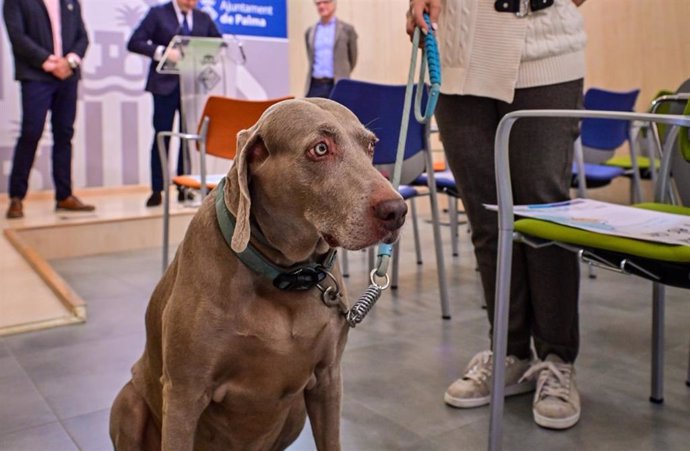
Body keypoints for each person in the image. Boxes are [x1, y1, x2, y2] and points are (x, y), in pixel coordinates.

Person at [408, 0, 587, 430]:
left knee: (545, 218)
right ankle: (509, 351)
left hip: (544, 49)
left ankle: (557, 360)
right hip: (457, 54)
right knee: (486, 220)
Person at [3, 0, 94, 219]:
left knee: (64, 134)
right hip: (36, 75)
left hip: (68, 76)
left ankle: (64, 196)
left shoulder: (70, 2)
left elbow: (82, 37)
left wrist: (69, 62)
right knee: (31, 132)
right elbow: (17, 36)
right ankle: (17, 197)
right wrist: (49, 62)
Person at [127, 0, 222, 207]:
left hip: (191, 87)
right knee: (163, 136)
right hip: (164, 87)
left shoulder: (203, 18)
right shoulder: (158, 14)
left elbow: (218, 43)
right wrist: (162, 51)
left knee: (188, 139)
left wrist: (204, 55)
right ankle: (157, 188)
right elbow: (134, 42)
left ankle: (184, 186)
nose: (190, 2)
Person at [304, 0, 358, 98]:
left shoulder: (347, 30)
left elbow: (352, 58)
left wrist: (342, 72)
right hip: (315, 85)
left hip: (337, 84)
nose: (321, 6)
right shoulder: (310, 31)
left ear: (334, 4)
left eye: (325, 2)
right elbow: (310, 56)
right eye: (318, 3)